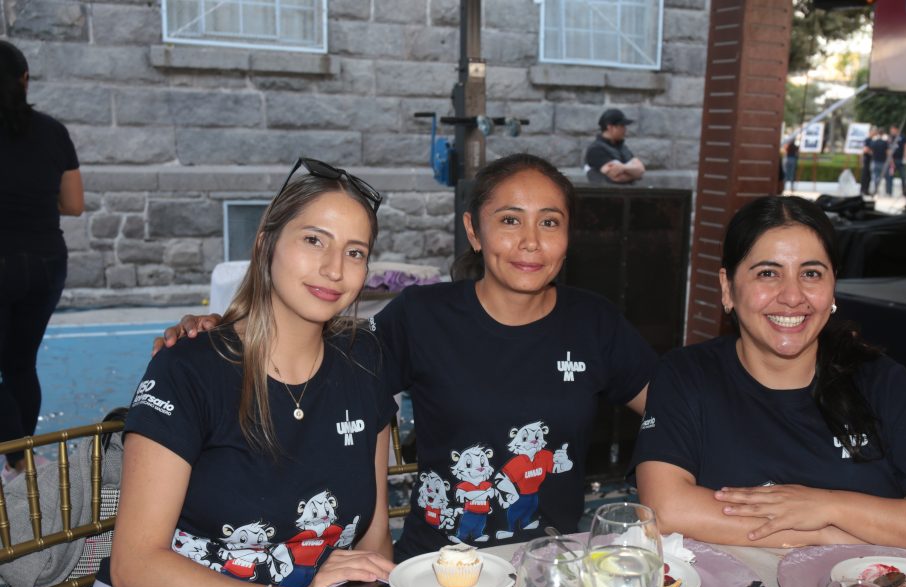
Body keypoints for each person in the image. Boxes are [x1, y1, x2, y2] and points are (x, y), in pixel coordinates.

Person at [158, 154, 658, 562]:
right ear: (474, 230)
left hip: (554, 567)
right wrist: (223, 331)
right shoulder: (421, 316)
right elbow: (317, 363)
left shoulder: (594, 323)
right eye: (509, 221)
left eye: (550, 222)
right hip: (435, 569)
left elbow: (673, 412)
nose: (531, 242)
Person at [73, 159, 397, 587]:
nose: (335, 268)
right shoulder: (190, 367)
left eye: (354, 252)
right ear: (266, 242)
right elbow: (136, 568)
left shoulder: (366, 363)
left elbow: (373, 541)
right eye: (314, 240)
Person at [631, 195, 906, 561]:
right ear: (728, 288)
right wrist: (827, 536)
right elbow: (666, 510)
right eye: (767, 273)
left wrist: (829, 506)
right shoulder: (686, 374)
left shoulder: (880, 382)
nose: (793, 296)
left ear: (833, 287)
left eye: (811, 274)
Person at [0, 40, 84, 476]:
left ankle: (16, 453)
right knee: (20, 363)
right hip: (46, 261)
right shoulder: (53, 131)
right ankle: (20, 460)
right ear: (24, 80)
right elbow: (73, 204)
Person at [584, 108, 646, 185]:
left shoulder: (623, 148)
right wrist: (633, 174)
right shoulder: (595, 150)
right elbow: (616, 177)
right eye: (621, 126)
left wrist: (623, 168)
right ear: (609, 127)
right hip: (605, 195)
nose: (625, 130)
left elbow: (641, 170)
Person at [867, 128, 890, 196]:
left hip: (875, 161)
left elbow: (870, 150)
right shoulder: (885, 142)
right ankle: (888, 192)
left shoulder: (874, 141)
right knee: (886, 177)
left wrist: (873, 155)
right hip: (883, 162)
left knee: (875, 177)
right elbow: (887, 152)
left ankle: (875, 190)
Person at [887, 124, 906, 197]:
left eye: (892, 130)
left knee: (903, 177)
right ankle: (889, 192)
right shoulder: (890, 138)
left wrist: (905, 157)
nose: (891, 131)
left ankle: (905, 192)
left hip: (900, 160)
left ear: (896, 129)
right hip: (892, 161)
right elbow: (888, 149)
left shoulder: (903, 137)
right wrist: (891, 160)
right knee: (890, 176)